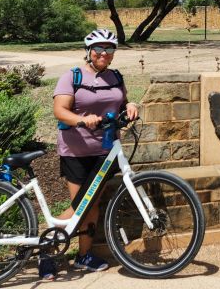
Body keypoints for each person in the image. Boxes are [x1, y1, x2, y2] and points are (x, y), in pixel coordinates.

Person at [38, 29, 139, 280]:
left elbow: (121, 100)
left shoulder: (115, 76)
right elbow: (60, 110)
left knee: (91, 206)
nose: (104, 53)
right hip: (76, 151)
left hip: (105, 150)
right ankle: (46, 251)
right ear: (89, 51)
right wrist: (82, 121)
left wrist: (131, 105)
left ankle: (84, 256)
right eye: (99, 48)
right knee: (80, 207)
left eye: (110, 49)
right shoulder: (72, 76)